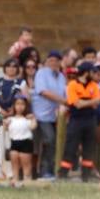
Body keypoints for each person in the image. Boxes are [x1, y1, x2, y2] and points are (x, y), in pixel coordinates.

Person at [59, 61, 100, 182]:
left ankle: (86, 175)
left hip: (90, 120)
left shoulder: (94, 85)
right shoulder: (72, 85)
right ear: (86, 72)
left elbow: (97, 102)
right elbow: (76, 104)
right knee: (71, 146)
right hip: (76, 120)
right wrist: (89, 102)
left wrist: (84, 102)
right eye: (93, 72)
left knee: (89, 147)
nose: (95, 74)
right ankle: (63, 173)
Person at [32, 51, 66, 180]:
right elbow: (43, 92)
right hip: (42, 115)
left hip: (56, 116)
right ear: (47, 61)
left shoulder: (62, 76)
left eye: (56, 60)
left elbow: (64, 93)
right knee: (49, 140)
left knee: (56, 142)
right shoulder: (41, 73)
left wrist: (64, 103)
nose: (53, 63)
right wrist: (63, 101)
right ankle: (44, 171)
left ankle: (53, 170)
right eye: (51, 60)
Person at [4, 96, 37, 186]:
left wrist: (33, 118)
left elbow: (33, 126)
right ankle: (15, 180)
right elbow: (5, 129)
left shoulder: (27, 119)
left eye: (22, 104)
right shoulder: (10, 119)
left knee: (26, 165)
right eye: (17, 104)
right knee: (14, 164)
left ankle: (27, 181)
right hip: (14, 143)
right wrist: (6, 125)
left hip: (26, 142)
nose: (20, 107)